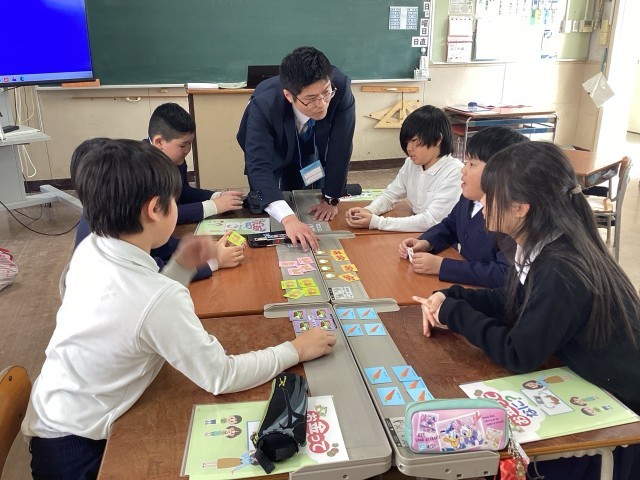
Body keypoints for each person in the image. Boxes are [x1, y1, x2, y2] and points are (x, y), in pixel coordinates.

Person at [22, 139, 336, 479]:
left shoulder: (92, 248)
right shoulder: (155, 297)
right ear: (154, 209)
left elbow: (136, 312)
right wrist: (296, 349)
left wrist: (182, 266)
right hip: (77, 450)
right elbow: (221, 376)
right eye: (173, 201)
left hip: (53, 413)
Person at [413, 141, 640, 479]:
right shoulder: (545, 243)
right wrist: (450, 298)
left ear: (520, 208)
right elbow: (513, 299)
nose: (482, 202)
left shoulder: (560, 267)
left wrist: (454, 314)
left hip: (616, 412)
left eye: (490, 195)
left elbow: (519, 353)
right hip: (585, 381)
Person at [237, 46, 356, 251]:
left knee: (310, 182)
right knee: (265, 201)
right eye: (311, 98)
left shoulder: (341, 87)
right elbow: (259, 163)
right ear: (289, 95)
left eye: (326, 93)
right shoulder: (265, 103)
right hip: (273, 147)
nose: (322, 104)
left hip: (311, 140)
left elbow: (341, 146)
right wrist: (288, 219)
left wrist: (331, 198)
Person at [398, 127, 528, 287]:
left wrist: (442, 266)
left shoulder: (508, 216)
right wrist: (426, 242)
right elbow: (450, 225)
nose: (463, 170)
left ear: (498, 172)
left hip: (487, 293)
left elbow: (504, 274)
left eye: (472, 164)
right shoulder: (469, 197)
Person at [345, 105, 462, 232]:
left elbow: (431, 220)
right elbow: (390, 195)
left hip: (443, 238)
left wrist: (377, 222)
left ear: (437, 139)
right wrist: (369, 210)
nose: (409, 148)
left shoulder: (455, 172)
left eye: (414, 140)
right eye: (407, 142)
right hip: (418, 233)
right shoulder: (411, 164)